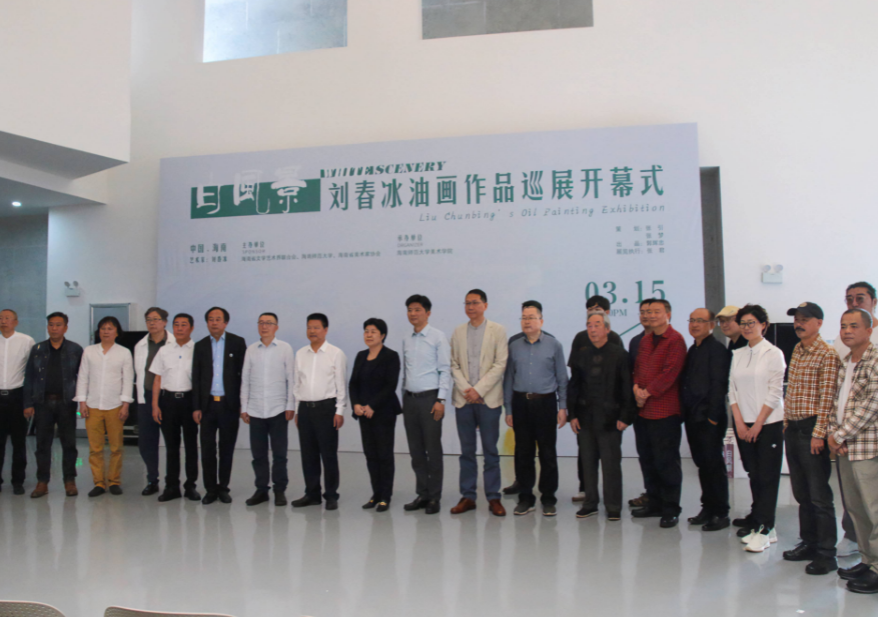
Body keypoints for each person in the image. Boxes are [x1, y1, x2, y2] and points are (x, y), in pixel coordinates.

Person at [781, 302, 841, 574]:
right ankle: (809, 542)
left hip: (811, 431)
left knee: (819, 496)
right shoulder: (797, 349)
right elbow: (791, 389)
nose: (799, 323)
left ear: (819, 323)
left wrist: (819, 434)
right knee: (801, 493)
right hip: (793, 429)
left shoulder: (827, 354)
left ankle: (827, 554)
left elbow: (827, 399)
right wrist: (785, 423)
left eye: (805, 319)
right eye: (797, 319)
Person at [728, 304, 786, 552]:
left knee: (767, 476)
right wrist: (740, 423)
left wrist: (758, 424)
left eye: (751, 322)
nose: (747, 327)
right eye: (743, 323)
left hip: (768, 423)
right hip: (744, 423)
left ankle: (764, 529)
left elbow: (775, 393)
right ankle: (764, 526)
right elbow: (732, 391)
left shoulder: (773, 353)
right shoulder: (738, 354)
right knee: (754, 474)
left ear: (763, 325)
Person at [829, 308, 878, 593]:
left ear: (869, 330)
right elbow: (837, 402)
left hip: (867, 448)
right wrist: (833, 434)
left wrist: (839, 434)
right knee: (855, 509)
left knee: (874, 510)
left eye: (854, 326)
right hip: (845, 447)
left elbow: (872, 405)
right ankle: (868, 560)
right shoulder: (846, 361)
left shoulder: (875, 360)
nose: (847, 331)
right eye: (843, 325)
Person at [504, 300, 568, 517]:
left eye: (531, 317)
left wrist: (563, 407)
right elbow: (508, 379)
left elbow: (562, 378)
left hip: (545, 403)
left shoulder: (554, 345)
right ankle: (525, 498)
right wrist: (508, 409)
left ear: (541, 320)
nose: (527, 321)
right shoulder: (514, 346)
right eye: (524, 318)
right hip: (520, 404)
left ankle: (548, 498)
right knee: (523, 453)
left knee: (547, 453)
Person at [568, 312, 635, 520]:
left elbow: (627, 387)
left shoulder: (620, 355)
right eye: (589, 325)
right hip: (585, 417)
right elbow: (574, 386)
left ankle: (613, 506)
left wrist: (626, 416)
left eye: (597, 325)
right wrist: (572, 414)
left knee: (611, 464)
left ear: (607, 329)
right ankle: (590, 503)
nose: (592, 329)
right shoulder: (581, 354)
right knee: (588, 463)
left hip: (611, 418)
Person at [449, 289, 508, 517]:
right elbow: (453, 364)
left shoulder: (498, 330)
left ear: (485, 305)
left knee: (491, 450)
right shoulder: (458, 332)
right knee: (467, 451)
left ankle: (493, 497)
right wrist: (468, 390)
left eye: (475, 303)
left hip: (488, 400)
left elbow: (500, 364)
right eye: (467, 303)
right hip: (464, 400)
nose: (470, 307)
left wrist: (479, 390)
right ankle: (468, 496)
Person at [631, 298, 687, 528]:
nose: (651, 316)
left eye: (657, 312)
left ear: (668, 315)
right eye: (648, 312)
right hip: (643, 412)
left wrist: (646, 393)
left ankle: (671, 508)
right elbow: (637, 369)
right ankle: (654, 503)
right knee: (648, 460)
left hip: (665, 412)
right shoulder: (645, 340)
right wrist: (636, 388)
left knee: (667, 462)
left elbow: (670, 373)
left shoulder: (676, 340)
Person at [681, 308, 732, 531]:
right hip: (693, 417)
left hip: (709, 419)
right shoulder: (693, 349)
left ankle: (721, 512)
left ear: (712, 325)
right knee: (702, 464)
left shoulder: (717, 350)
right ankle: (707, 507)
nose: (694, 324)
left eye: (700, 321)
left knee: (713, 465)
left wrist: (712, 418)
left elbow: (719, 386)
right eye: (692, 320)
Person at [568, 295, 623, 502]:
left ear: (607, 314)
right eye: (590, 309)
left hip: (609, 410)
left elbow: (620, 378)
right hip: (585, 408)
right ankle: (585, 489)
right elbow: (575, 377)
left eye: (598, 309)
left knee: (610, 457)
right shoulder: (579, 338)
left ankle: (612, 502)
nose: (593, 312)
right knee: (585, 453)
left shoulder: (615, 339)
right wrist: (572, 410)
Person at [22, 312, 83, 497]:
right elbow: (29, 377)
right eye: (51, 324)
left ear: (65, 327)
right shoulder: (38, 349)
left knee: (69, 444)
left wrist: (82, 401)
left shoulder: (75, 349)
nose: (54, 328)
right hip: (42, 403)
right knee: (42, 444)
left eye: (58, 325)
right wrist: (28, 403)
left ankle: (70, 481)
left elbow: (83, 377)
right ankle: (42, 482)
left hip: (66, 403)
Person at [401, 295, 450, 515]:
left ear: (427, 313)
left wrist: (441, 400)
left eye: (417, 309)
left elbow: (445, 370)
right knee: (416, 451)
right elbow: (406, 371)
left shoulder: (438, 337)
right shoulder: (406, 339)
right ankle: (422, 493)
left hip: (430, 400)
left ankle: (434, 497)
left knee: (433, 450)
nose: (413, 313)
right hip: (410, 400)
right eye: (410, 310)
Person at [292, 313, 347, 510]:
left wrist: (339, 411)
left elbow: (341, 385)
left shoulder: (336, 353)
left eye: (316, 327)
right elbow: (297, 384)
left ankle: (331, 495)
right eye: (309, 327)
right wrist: (297, 410)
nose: (312, 331)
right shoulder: (300, 354)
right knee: (308, 455)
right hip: (305, 409)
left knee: (328, 454)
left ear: (325, 330)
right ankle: (312, 494)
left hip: (327, 409)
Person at [74, 316, 134, 497]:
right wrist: (82, 402)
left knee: (116, 447)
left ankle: (114, 481)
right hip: (92, 405)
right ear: (98, 331)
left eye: (110, 328)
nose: (106, 331)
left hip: (115, 405)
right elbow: (82, 377)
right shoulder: (89, 351)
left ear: (117, 332)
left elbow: (128, 380)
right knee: (95, 448)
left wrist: (125, 405)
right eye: (103, 328)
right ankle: (99, 483)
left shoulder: (124, 352)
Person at [192, 306, 246, 504]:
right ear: (207, 323)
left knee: (226, 448)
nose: (214, 322)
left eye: (218, 319)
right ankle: (210, 489)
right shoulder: (200, 345)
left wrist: (242, 404)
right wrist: (196, 407)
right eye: (210, 319)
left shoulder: (237, 343)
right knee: (207, 449)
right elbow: (196, 378)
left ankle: (223, 487)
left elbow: (243, 375)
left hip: (229, 406)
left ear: (225, 322)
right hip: (207, 406)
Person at [240, 313, 295, 507]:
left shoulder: (285, 348)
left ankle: (280, 490)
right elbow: (245, 379)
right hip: (255, 410)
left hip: (278, 409)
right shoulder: (251, 350)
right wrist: (244, 407)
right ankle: (261, 490)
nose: (264, 326)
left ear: (276, 327)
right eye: (261, 323)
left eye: (269, 323)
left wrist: (290, 405)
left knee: (280, 454)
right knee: (259, 455)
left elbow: (291, 379)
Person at [350, 318, 401, 513]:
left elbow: (390, 385)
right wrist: (356, 404)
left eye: (373, 331)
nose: (369, 335)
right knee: (370, 455)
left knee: (384, 455)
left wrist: (372, 405)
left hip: (384, 413)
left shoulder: (391, 356)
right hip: (363, 413)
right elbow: (353, 383)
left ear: (383, 335)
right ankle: (376, 494)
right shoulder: (361, 356)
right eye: (366, 331)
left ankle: (386, 496)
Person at [150, 313, 200, 502]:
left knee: (191, 446)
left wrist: (199, 407)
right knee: (171, 447)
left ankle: (190, 486)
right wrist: (155, 405)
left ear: (191, 328)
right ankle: (172, 487)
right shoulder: (164, 350)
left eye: (184, 325)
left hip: (189, 402)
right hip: (168, 402)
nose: (179, 328)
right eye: (176, 324)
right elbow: (157, 378)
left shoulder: (198, 350)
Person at [133, 306, 170, 496]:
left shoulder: (174, 343)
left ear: (165, 322)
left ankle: (172, 482)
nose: (152, 323)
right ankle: (152, 479)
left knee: (171, 441)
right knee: (147, 442)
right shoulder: (140, 345)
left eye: (156, 319)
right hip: (146, 397)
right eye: (149, 320)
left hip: (168, 397)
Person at [0, 309, 35, 495]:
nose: (3, 321)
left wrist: (30, 402)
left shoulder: (26, 341)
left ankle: (18, 481)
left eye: (7, 318)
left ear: (16, 322)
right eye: (0, 318)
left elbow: (33, 371)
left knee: (19, 442)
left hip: (18, 396)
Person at [627, 299, 653, 509]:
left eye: (650, 312)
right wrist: (636, 392)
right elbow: (632, 372)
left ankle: (664, 499)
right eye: (642, 312)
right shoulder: (635, 341)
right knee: (645, 453)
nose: (645, 316)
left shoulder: (671, 340)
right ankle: (650, 493)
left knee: (663, 456)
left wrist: (648, 392)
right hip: (639, 406)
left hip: (661, 406)